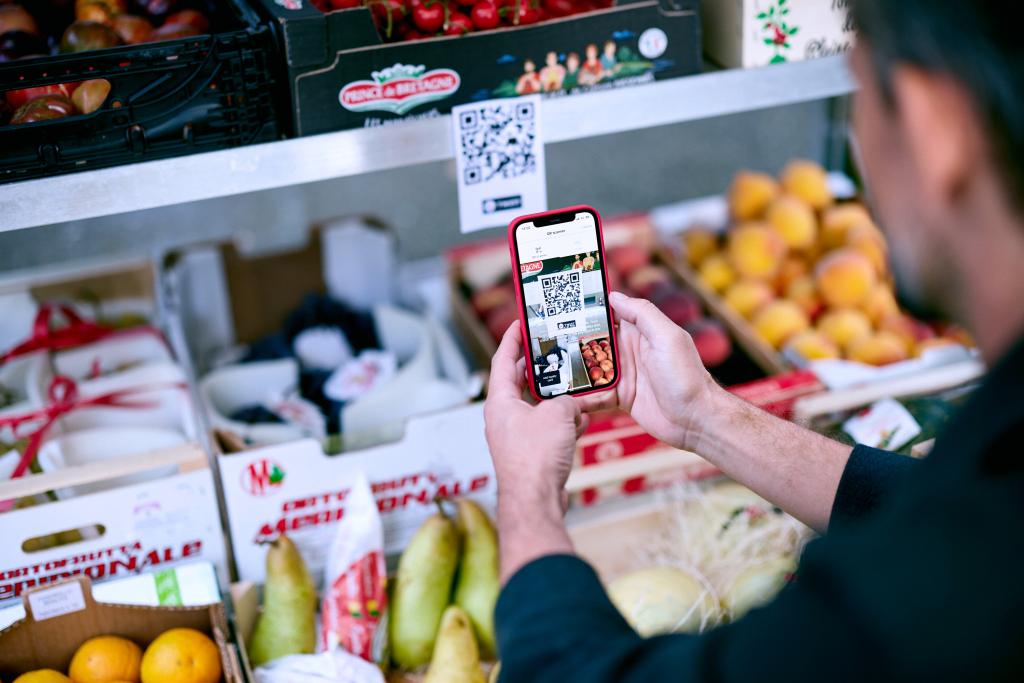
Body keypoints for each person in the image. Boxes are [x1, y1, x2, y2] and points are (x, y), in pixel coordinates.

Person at [484, 1, 1024, 680]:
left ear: (933, 126)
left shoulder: (915, 611)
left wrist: (527, 491)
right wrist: (704, 418)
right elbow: (920, 507)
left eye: (859, 97)